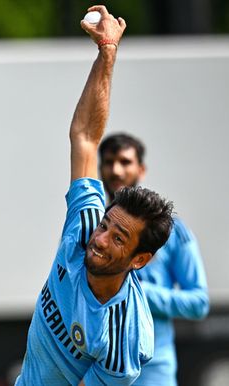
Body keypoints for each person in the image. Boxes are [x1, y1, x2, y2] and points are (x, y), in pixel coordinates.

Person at [14, 5, 174, 385]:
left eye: (118, 239)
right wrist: (107, 51)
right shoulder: (84, 226)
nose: (99, 240)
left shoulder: (126, 335)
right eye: (106, 225)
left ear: (140, 260)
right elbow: (85, 136)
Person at [98, 133, 210, 385]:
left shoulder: (172, 232)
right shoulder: (93, 229)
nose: (116, 170)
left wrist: (137, 291)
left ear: (141, 169)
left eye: (125, 162)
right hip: (99, 367)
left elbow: (198, 302)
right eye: (109, 162)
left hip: (153, 370)